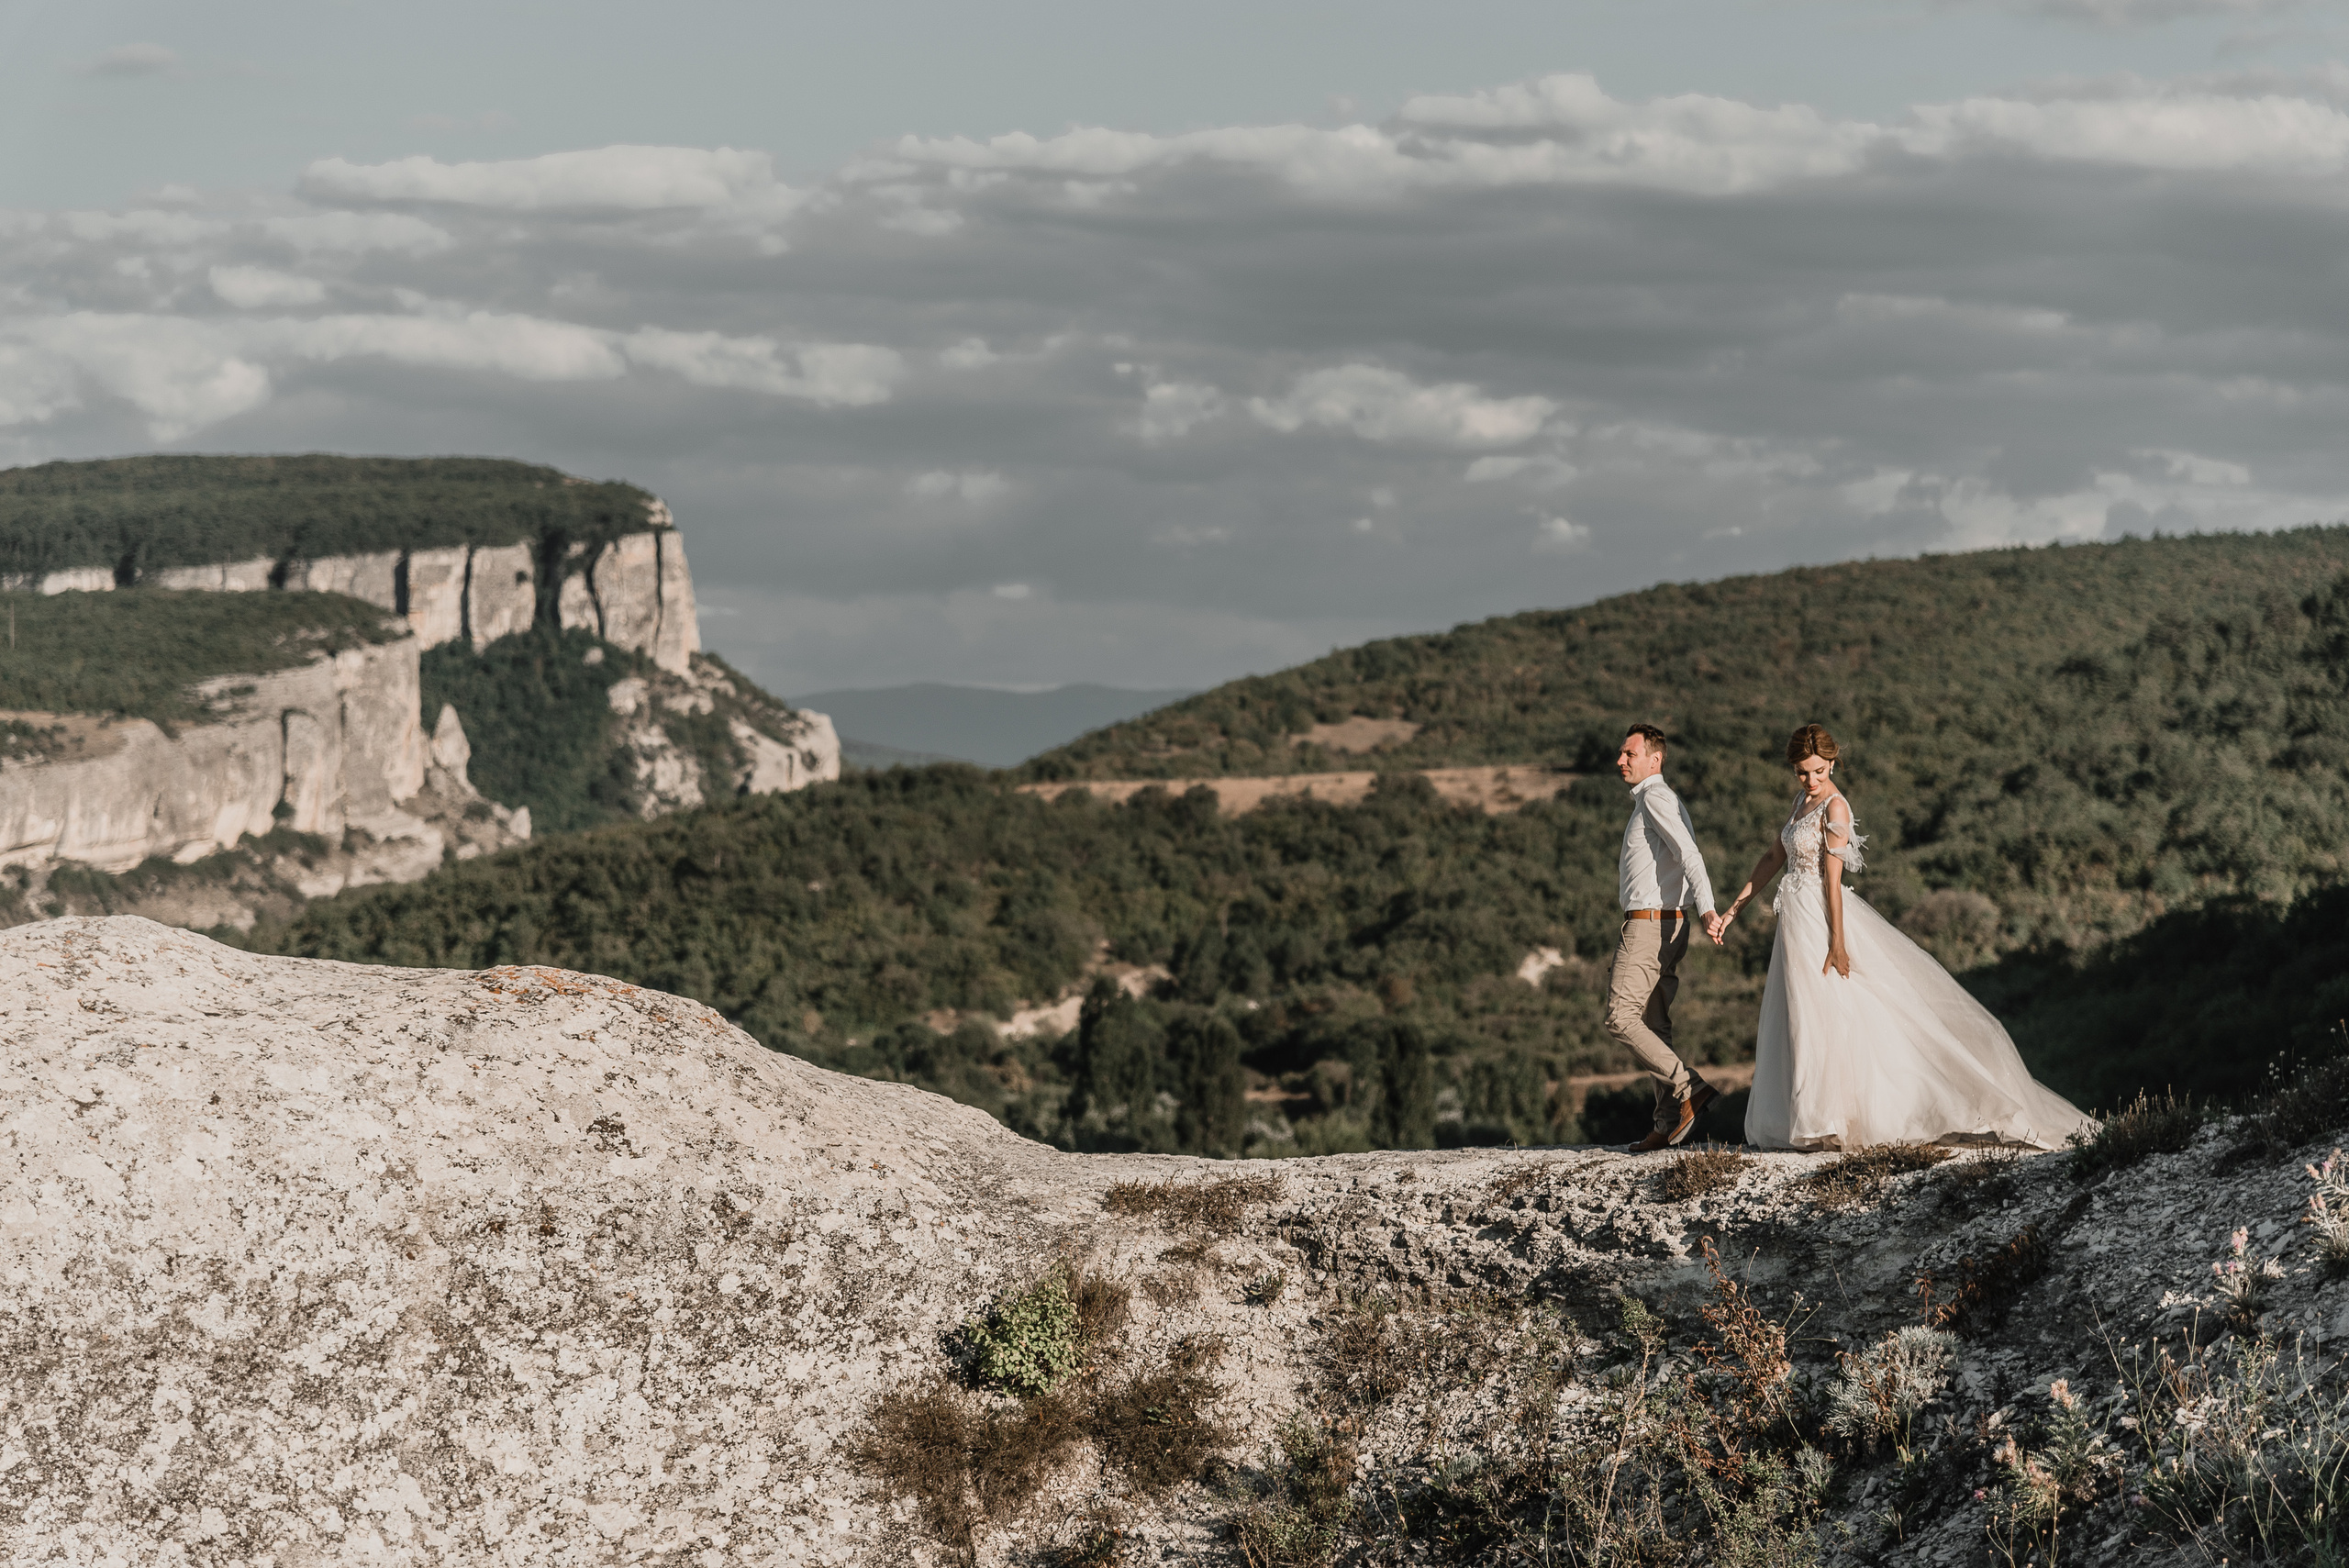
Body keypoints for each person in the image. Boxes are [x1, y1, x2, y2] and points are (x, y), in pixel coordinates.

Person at [1717, 723, 2093, 1151]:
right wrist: (1733, 910)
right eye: (1803, 772)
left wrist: (1837, 943)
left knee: (1832, 1011)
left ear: (1833, 763)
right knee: (1801, 1015)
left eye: (1819, 770)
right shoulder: (1800, 802)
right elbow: (1772, 857)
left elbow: (1832, 882)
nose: (1811, 780)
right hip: (1794, 922)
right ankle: (1810, 1118)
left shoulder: (1835, 809)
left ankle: (1841, 1119)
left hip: (1821, 920)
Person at [1608, 724, 1725, 1152]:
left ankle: (1687, 1087)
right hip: (1669, 924)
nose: (1621, 760)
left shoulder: (1656, 798)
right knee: (1654, 1023)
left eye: (1629, 754)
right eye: (1622, 754)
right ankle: (1666, 1122)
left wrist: (1710, 907)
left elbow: (1689, 854)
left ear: (1654, 759)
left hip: (1651, 926)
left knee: (1621, 1015)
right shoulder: (1660, 800)